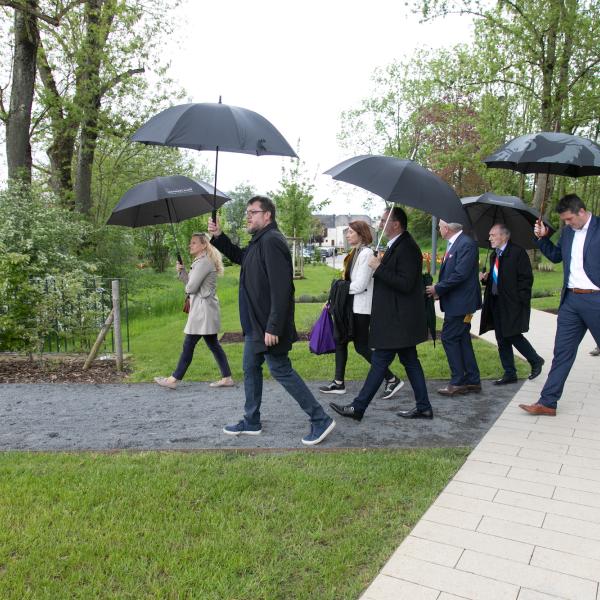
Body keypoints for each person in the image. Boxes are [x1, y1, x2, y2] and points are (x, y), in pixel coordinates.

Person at [208, 195, 336, 445]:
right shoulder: (259, 241)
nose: (248, 216)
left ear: (267, 215)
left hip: (267, 326)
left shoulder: (272, 242)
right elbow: (241, 256)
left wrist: (274, 326)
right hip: (255, 325)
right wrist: (219, 236)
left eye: (252, 212)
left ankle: (320, 419)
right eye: (248, 212)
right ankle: (251, 420)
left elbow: (282, 288)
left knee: (280, 369)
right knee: (250, 368)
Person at [329, 207, 433, 421]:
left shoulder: (408, 247)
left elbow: (405, 284)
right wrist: (380, 264)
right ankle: (423, 407)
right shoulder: (397, 245)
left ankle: (358, 408)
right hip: (397, 318)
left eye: (384, 220)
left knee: (380, 362)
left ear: (396, 224)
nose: (381, 223)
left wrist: (378, 267)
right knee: (410, 361)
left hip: (398, 319)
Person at [520, 194, 600, 416]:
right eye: (564, 220)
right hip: (571, 302)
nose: (566, 223)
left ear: (582, 212)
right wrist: (542, 238)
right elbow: (556, 257)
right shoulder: (567, 233)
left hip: (596, 300)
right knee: (562, 353)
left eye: (569, 219)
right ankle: (547, 403)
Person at [319, 220, 404, 399]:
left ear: (360, 233)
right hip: (350, 307)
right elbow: (348, 280)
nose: (347, 235)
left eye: (350, 232)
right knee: (341, 340)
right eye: (347, 232)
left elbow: (359, 286)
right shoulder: (354, 253)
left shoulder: (366, 254)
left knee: (361, 347)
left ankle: (391, 378)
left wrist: (337, 292)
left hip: (361, 309)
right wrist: (334, 297)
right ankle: (338, 382)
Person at [154, 233, 234, 390]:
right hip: (204, 310)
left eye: (194, 243)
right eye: (190, 243)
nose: (190, 245)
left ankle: (173, 379)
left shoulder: (203, 263)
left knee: (189, 344)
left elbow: (191, 287)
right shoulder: (201, 262)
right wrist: (182, 272)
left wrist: (188, 280)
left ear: (204, 245)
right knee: (213, 344)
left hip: (202, 312)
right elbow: (190, 283)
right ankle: (227, 377)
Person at [479, 224, 545, 385]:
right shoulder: (495, 255)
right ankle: (510, 373)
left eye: (493, 235)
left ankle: (535, 360)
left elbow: (526, 279)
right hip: (496, 302)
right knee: (501, 338)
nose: (490, 238)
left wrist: (519, 299)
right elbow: (499, 278)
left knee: (513, 334)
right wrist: (487, 279)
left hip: (512, 303)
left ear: (504, 236)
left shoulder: (517, 253)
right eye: (490, 235)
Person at [425, 220, 482, 396]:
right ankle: (472, 380)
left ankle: (458, 381)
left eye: (440, 226)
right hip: (457, 301)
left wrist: (438, 288)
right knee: (462, 338)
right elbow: (454, 274)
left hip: (461, 304)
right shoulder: (457, 243)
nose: (438, 229)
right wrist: (440, 290)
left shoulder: (466, 244)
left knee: (449, 337)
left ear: (447, 228)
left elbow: (460, 274)